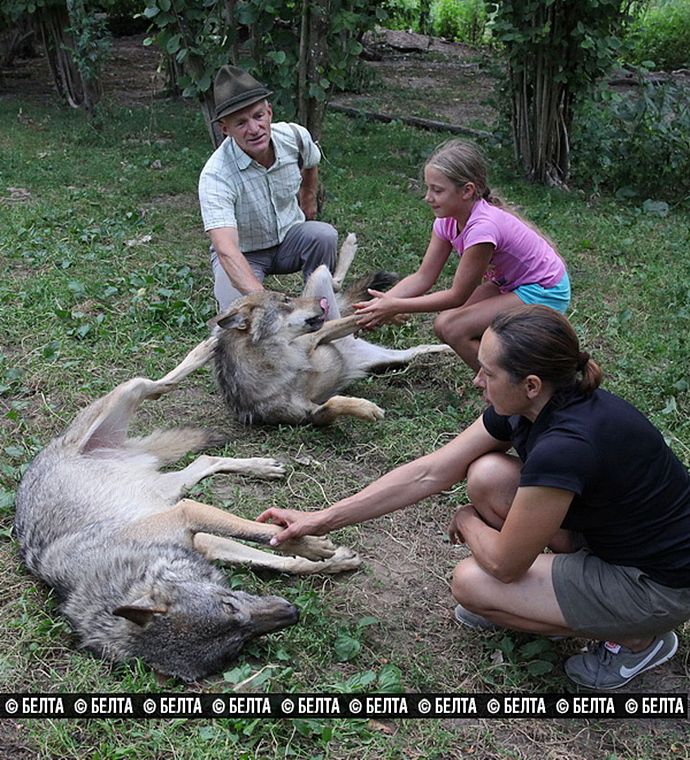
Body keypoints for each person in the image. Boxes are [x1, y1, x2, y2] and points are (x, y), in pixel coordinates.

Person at [258, 305, 690, 689]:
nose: (476, 380)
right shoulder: (536, 406)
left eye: (489, 372)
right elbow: (430, 472)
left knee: (473, 583)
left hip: (658, 584)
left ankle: (638, 641)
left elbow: (505, 563)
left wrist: (466, 520)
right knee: (486, 475)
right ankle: (557, 605)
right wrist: (322, 518)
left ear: (532, 384)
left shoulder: (566, 445)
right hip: (611, 540)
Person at [353, 140, 571, 371]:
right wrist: (378, 306)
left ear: (467, 191)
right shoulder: (446, 222)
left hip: (545, 290)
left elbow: (457, 295)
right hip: (512, 284)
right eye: (428, 188)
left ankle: (506, 387)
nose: (428, 197)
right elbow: (423, 277)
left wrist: (396, 306)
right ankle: (512, 368)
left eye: (437, 190)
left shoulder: (482, 229)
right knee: (445, 323)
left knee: (453, 328)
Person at [198, 64, 338, 312]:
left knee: (324, 235)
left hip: (288, 239)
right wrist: (267, 303)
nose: (254, 129)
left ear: (269, 112)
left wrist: (308, 197)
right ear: (224, 129)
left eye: (258, 116)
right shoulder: (216, 175)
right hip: (245, 254)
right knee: (237, 322)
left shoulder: (294, 137)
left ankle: (320, 310)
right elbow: (226, 250)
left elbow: (311, 161)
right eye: (240, 123)